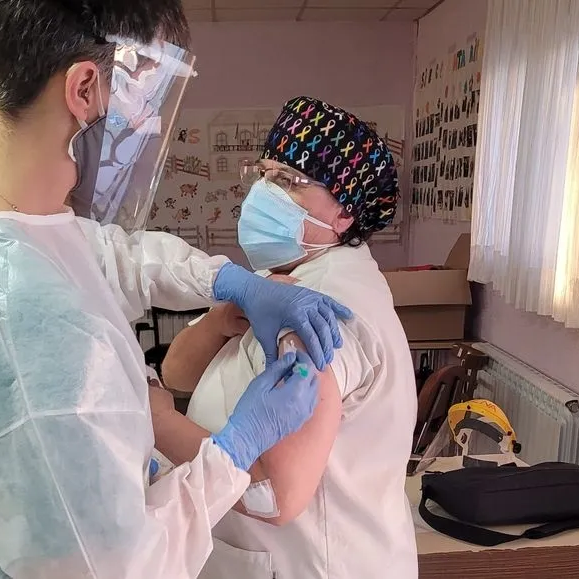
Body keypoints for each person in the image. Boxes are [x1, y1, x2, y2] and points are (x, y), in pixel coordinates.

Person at [0, 4, 353, 579]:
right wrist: (233, 452)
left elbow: (100, 252)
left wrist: (225, 280)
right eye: (143, 93)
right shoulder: (32, 314)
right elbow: (112, 564)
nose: (148, 121)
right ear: (83, 88)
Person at [150, 97, 419, 578]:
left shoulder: (324, 308)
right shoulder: (276, 280)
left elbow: (272, 495)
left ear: (345, 213)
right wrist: (218, 322)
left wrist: (157, 422)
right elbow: (177, 374)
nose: (264, 192)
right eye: (265, 173)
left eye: (290, 181)